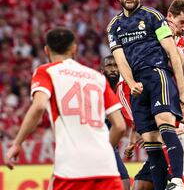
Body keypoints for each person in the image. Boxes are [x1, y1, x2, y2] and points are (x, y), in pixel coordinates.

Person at [5, 27, 126, 190]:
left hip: (71, 167)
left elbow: (39, 106)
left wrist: (17, 143)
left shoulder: (46, 71)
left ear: (46, 50)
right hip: (106, 167)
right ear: (74, 49)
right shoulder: (97, 77)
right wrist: (104, 149)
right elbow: (119, 126)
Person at [108, 0, 184, 190]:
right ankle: (162, 186)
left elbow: (172, 52)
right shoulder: (113, 26)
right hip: (137, 85)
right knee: (150, 138)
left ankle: (178, 181)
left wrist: (181, 89)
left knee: (165, 121)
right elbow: (120, 59)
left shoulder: (154, 16)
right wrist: (131, 82)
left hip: (157, 74)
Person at [100, 55, 132, 190]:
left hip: (111, 145)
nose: (113, 69)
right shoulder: (98, 89)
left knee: (123, 181)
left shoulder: (125, 89)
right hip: (99, 143)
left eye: (116, 66)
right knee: (123, 180)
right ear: (102, 70)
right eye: (109, 66)